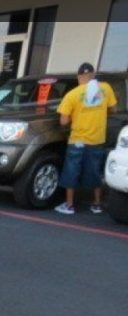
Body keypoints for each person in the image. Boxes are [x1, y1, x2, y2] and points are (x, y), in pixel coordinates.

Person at [54, 63, 117, 215]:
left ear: (79, 76)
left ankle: (69, 206)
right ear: (93, 75)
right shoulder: (106, 88)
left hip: (78, 140)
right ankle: (96, 204)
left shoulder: (72, 94)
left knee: (72, 171)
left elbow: (63, 121)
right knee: (95, 171)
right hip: (97, 139)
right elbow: (113, 109)